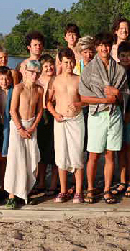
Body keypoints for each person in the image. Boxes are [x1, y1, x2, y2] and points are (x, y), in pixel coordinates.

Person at [79, 33, 128, 204]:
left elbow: (125, 96)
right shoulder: (89, 69)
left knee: (110, 154)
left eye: (107, 45)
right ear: (96, 48)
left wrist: (118, 93)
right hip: (96, 114)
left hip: (114, 115)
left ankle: (107, 189)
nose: (104, 48)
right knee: (93, 154)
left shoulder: (120, 69)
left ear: (111, 47)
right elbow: (83, 98)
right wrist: (104, 99)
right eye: (101, 45)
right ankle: (91, 188)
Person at [4, 60, 44, 208]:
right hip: (17, 127)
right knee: (15, 159)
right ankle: (12, 195)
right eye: (31, 72)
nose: (34, 75)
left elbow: (40, 110)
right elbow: (12, 110)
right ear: (25, 72)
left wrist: (33, 126)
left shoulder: (39, 90)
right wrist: (20, 128)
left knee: (30, 158)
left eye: (37, 73)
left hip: (31, 126)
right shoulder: (18, 88)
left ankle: (25, 192)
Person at [47, 48, 85, 203]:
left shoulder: (79, 79)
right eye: (66, 62)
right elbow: (48, 102)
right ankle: (63, 190)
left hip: (76, 120)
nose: (69, 65)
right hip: (60, 120)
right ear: (60, 63)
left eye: (71, 61)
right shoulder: (54, 80)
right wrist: (55, 114)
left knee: (77, 154)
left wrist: (78, 104)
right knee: (61, 155)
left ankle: (78, 191)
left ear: (75, 62)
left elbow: (85, 99)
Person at [113, 41, 130, 199]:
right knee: (120, 149)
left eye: (129, 55)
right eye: (123, 55)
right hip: (117, 113)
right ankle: (122, 180)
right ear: (118, 56)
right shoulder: (114, 70)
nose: (126, 58)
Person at [34, 54, 59, 196]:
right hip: (41, 116)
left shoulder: (58, 79)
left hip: (55, 113)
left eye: (51, 65)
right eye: (46, 66)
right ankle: (41, 181)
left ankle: (54, 183)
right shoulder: (38, 81)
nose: (49, 68)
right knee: (42, 150)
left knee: (56, 150)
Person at [0, 66, 14, 193]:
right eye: (1, 79)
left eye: (6, 79)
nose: (4, 82)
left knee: (8, 156)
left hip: (10, 126)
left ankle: (7, 184)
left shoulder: (14, 91)